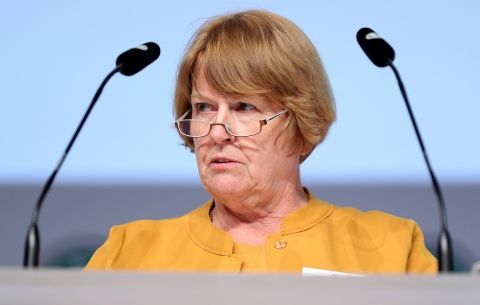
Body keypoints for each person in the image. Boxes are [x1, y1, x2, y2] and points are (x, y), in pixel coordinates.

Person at [86, 10, 437, 273]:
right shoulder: (127, 253)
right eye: (204, 107)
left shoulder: (392, 249)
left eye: (244, 106)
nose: (217, 132)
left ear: (299, 123)